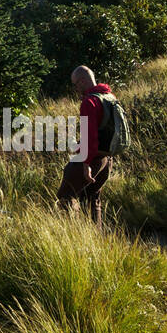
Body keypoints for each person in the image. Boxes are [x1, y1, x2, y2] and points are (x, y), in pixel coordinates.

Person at [56, 66, 117, 228]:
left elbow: (91, 137)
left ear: (83, 81)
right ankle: (96, 238)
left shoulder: (89, 102)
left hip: (92, 159)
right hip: (106, 159)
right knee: (93, 198)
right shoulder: (108, 97)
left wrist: (86, 164)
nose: (75, 88)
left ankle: (73, 238)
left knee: (65, 196)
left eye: (75, 84)